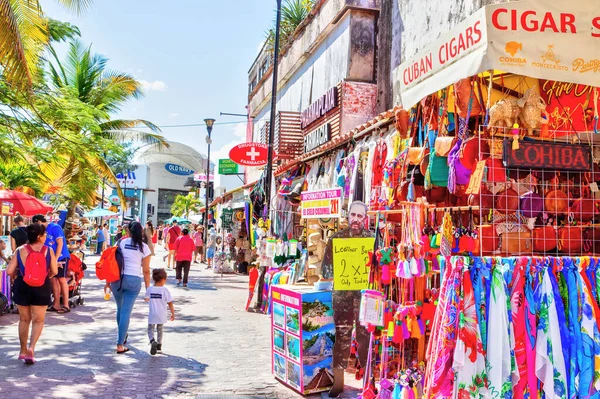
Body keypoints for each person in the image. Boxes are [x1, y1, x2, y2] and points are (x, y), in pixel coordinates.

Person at [319, 201, 374, 397]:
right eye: (353, 215)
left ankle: (369, 382)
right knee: (341, 339)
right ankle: (339, 383)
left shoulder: (373, 239)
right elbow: (324, 270)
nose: (356, 219)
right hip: (342, 297)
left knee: (366, 339)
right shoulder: (336, 239)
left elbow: (382, 267)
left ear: (365, 218)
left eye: (360, 216)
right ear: (348, 216)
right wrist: (340, 271)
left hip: (365, 298)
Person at [6, 223, 58, 363]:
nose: (46, 237)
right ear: (40, 237)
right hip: (41, 286)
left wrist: (18, 276)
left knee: (24, 319)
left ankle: (22, 350)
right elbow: (55, 271)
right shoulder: (49, 250)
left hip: (22, 285)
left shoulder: (20, 250)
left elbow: (9, 271)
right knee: (38, 320)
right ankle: (31, 348)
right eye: (45, 235)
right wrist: (44, 276)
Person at [105, 221, 151, 354]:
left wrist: (108, 282)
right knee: (126, 311)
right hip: (133, 281)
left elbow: (111, 262)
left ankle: (122, 335)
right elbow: (146, 271)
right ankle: (120, 344)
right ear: (141, 232)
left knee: (120, 308)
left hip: (117, 279)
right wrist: (148, 289)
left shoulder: (120, 242)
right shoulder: (144, 247)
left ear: (128, 232)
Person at [34, 214, 71, 314]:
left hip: (62, 256)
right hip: (50, 258)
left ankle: (66, 305)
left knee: (61, 279)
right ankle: (56, 304)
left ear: (40, 222)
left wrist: (56, 258)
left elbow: (60, 243)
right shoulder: (42, 232)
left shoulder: (55, 227)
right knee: (53, 280)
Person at [144, 268, 175, 355]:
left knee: (150, 329)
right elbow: (170, 303)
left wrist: (147, 298)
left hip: (152, 314)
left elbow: (146, 298)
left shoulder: (150, 289)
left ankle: (152, 340)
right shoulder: (165, 290)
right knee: (160, 330)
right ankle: (159, 346)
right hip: (162, 314)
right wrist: (172, 313)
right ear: (163, 280)